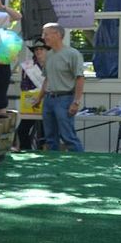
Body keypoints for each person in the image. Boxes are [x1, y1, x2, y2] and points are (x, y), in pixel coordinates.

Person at [33, 22, 85, 152]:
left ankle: (80, 165)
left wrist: (76, 102)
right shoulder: (49, 55)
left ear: (57, 34)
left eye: (46, 34)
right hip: (49, 99)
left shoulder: (73, 54)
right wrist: (39, 98)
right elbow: (47, 78)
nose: (43, 37)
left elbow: (80, 78)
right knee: (50, 137)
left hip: (65, 99)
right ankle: (53, 165)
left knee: (68, 136)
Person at [16, 38, 47, 150]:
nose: (38, 51)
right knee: (22, 130)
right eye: (36, 49)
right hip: (32, 102)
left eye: (41, 49)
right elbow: (24, 85)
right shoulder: (28, 66)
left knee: (45, 134)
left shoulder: (52, 64)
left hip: (47, 102)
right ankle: (27, 152)